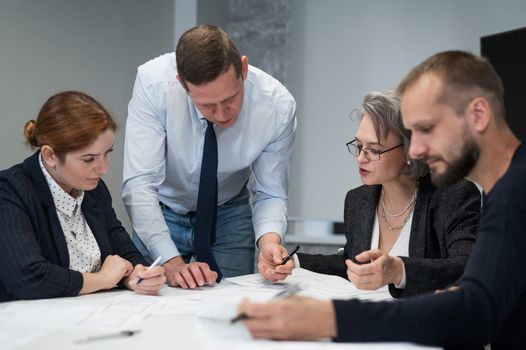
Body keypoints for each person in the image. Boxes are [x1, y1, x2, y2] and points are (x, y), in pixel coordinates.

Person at [236, 51, 526, 348]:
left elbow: (473, 309)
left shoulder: (512, 195)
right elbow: (479, 300)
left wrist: (331, 318)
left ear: (478, 115)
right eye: (412, 135)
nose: (417, 150)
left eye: (426, 130)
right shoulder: (505, 190)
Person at [123, 24, 296, 288]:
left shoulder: (277, 106)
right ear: (182, 83)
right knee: (148, 300)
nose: (222, 114)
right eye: (207, 105)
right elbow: (140, 185)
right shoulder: (153, 84)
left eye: (231, 98)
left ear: (244, 68)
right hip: (161, 210)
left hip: (228, 208)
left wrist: (270, 243)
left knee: (236, 301)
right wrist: (172, 264)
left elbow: (271, 191)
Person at [259, 90, 480, 298]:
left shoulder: (452, 195)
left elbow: (467, 265)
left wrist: (399, 271)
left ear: (410, 150)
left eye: (374, 150)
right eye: (358, 146)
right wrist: (294, 262)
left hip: (429, 326)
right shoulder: (358, 200)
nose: (361, 158)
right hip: (373, 322)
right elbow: (351, 262)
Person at [0, 91, 166, 302]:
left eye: (107, 153)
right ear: (50, 155)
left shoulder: (93, 189)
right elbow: (28, 278)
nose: (103, 168)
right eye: (89, 159)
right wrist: (103, 279)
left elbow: (124, 251)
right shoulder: (9, 191)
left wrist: (139, 274)